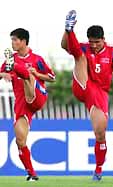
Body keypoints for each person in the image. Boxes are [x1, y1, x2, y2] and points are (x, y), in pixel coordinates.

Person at [61, 10, 113, 181]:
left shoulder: (112, 52)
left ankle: (98, 170)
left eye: (97, 42)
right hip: (82, 85)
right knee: (79, 55)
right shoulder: (84, 48)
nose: (93, 45)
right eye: (91, 42)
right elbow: (65, 46)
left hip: (99, 94)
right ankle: (69, 28)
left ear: (103, 40)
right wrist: (67, 32)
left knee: (100, 134)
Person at [0, 28, 55, 181]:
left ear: (23, 41)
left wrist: (37, 74)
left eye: (15, 40)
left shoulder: (37, 59)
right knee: (20, 140)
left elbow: (52, 77)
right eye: (11, 40)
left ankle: (21, 71)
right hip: (22, 104)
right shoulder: (8, 61)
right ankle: (32, 173)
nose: (12, 43)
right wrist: (2, 73)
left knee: (28, 75)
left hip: (37, 96)